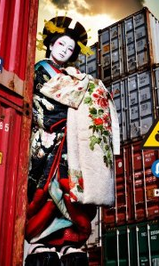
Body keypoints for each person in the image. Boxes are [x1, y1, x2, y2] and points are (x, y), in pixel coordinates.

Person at [25, 15, 120, 266]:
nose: (65, 51)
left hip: (73, 144)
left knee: (76, 191)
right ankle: (42, 241)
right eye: (61, 45)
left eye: (70, 49)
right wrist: (91, 88)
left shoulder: (73, 76)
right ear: (50, 45)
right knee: (47, 192)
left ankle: (72, 242)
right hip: (50, 142)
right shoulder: (42, 70)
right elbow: (58, 106)